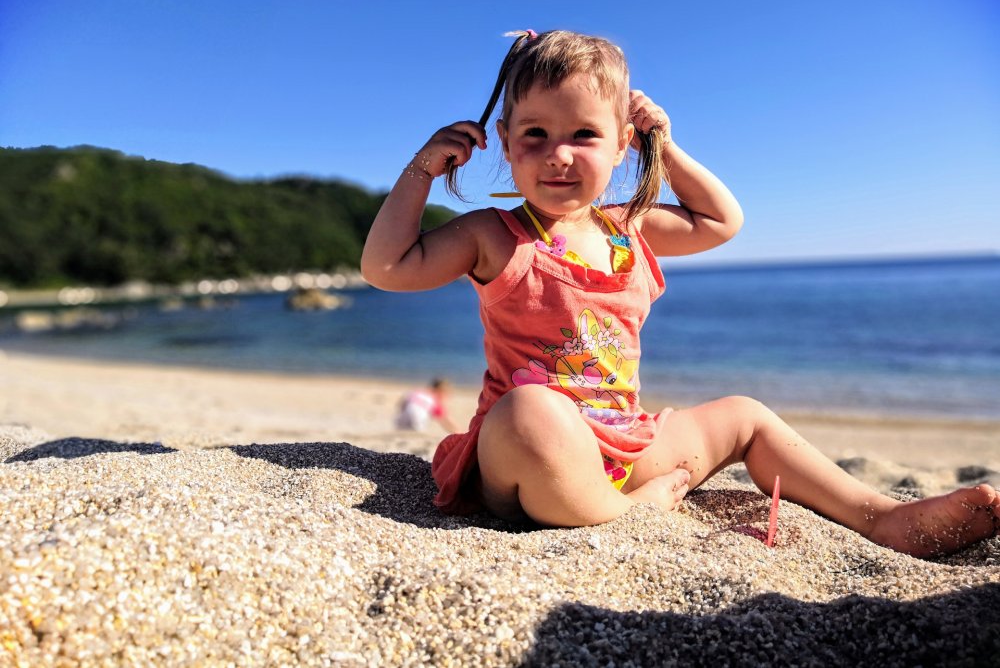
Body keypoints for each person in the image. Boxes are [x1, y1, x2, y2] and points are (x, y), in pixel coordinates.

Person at [361, 29, 999, 558]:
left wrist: (664, 147)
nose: (558, 155)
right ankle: (627, 513)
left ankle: (881, 515)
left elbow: (721, 220)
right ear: (504, 141)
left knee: (746, 415)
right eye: (535, 134)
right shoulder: (493, 234)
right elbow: (386, 267)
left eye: (583, 135)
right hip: (530, 460)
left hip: (627, 444)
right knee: (531, 409)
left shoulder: (630, 226)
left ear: (622, 145)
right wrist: (421, 171)